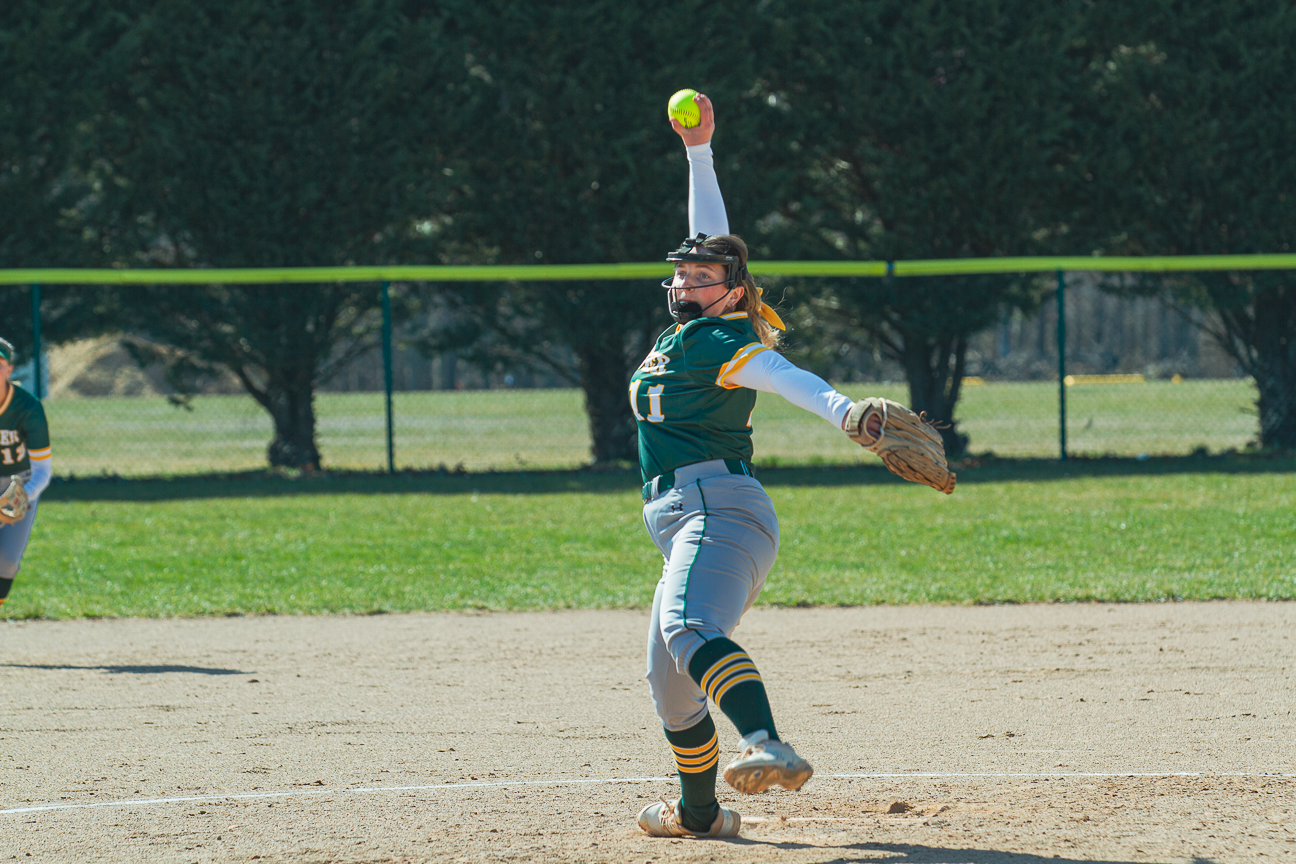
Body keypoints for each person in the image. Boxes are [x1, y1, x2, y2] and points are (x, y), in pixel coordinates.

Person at [633, 94, 884, 838]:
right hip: (685, 519)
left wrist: (844, 412)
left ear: (734, 292)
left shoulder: (721, 341)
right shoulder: (683, 336)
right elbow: (708, 233)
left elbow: (785, 378)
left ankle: (768, 742)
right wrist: (698, 153)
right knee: (670, 686)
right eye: (680, 273)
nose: (684, 281)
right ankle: (701, 814)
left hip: (718, 508)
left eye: (701, 276)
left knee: (687, 626)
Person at [0, 338, 53, 612]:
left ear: (8, 369)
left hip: (18, 483)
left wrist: (20, 496)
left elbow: (43, 470)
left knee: (7, 561)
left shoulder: (28, 408)